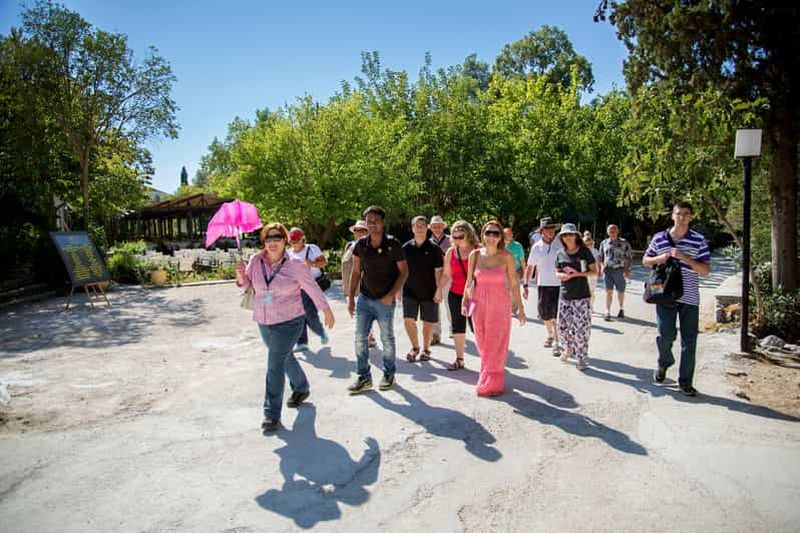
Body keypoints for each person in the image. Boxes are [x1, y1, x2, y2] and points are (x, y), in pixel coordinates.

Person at [235, 223, 335, 433]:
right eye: (268, 238)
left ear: (284, 241)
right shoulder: (255, 260)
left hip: (290, 321)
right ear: (264, 241)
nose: (272, 242)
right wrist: (240, 276)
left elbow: (312, 287)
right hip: (264, 319)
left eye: (277, 238)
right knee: (284, 356)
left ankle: (271, 414)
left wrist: (325, 309)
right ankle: (301, 387)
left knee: (274, 364)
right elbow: (248, 286)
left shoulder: (296, 265)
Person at [643, 200, 711, 397]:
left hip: (689, 297)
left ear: (691, 217)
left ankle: (685, 382)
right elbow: (647, 260)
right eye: (678, 213)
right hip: (663, 294)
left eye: (686, 214)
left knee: (689, 342)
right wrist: (660, 258)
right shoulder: (659, 238)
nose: (682, 217)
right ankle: (664, 362)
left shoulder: (699, 240)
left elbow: (705, 270)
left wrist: (684, 257)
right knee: (666, 335)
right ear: (672, 216)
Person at [347, 205, 408, 394]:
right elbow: (356, 272)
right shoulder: (361, 245)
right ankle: (364, 376)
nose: (372, 224)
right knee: (359, 338)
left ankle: (389, 374)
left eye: (376, 220)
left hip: (385, 300)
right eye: (368, 221)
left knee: (387, 339)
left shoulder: (392, 243)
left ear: (382, 222)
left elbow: (404, 271)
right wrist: (351, 298)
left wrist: (391, 295)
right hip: (365, 299)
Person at [464, 220, 526, 397]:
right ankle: (489, 374)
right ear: (482, 234)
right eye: (488, 233)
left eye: (495, 233)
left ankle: (493, 382)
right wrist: (464, 302)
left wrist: (520, 308)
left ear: (500, 237)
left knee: (495, 343)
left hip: (500, 304)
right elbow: (469, 282)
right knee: (482, 342)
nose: (491, 237)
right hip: (479, 304)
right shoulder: (474, 255)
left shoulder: (506, 256)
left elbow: (514, 283)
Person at [434, 220, 479, 370]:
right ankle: (459, 359)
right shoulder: (451, 252)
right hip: (456, 294)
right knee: (458, 328)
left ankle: (487, 358)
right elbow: (447, 274)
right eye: (455, 237)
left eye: (461, 236)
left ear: (469, 235)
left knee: (477, 328)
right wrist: (439, 289)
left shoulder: (479, 250)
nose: (458, 239)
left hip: (476, 296)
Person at [554, 224, 598, 370]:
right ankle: (568, 348)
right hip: (565, 295)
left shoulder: (585, 252)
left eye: (570, 234)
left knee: (581, 328)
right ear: (561, 238)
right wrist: (562, 275)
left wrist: (577, 274)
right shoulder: (560, 253)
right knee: (562, 326)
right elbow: (557, 271)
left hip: (581, 295)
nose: (568, 237)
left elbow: (594, 272)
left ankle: (581, 357)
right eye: (565, 235)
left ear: (576, 236)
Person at [402, 216, 444, 362]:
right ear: (412, 228)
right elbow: (401, 270)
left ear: (427, 228)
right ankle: (415, 347)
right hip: (409, 290)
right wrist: (396, 290)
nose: (419, 228)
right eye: (416, 225)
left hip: (429, 290)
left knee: (428, 322)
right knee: (408, 320)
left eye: (422, 225)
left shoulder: (434, 248)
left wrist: (439, 290)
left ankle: (426, 349)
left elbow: (438, 270)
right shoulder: (406, 247)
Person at [523, 217, 563, 356]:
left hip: (559, 284)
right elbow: (530, 266)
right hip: (543, 285)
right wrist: (526, 284)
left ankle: (557, 343)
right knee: (546, 315)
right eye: (547, 228)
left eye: (552, 228)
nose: (551, 231)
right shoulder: (537, 247)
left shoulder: (560, 243)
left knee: (557, 315)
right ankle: (550, 335)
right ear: (542, 231)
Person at [287, 227, 329, 351]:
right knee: (299, 314)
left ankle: (320, 331)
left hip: (313, 285)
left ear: (302, 239)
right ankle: (302, 342)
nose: (294, 243)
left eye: (296, 240)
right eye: (291, 241)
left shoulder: (312, 249)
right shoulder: (289, 253)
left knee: (309, 313)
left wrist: (313, 264)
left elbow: (324, 262)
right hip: (297, 288)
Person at [342, 220, 377, 349]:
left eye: (362, 230)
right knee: (356, 311)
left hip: (365, 283)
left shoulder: (370, 245)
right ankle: (368, 335)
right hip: (350, 284)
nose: (358, 233)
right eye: (356, 230)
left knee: (365, 311)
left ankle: (366, 336)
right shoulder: (349, 245)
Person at [598, 224, 633, 321]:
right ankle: (607, 311)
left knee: (620, 291)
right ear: (607, 232)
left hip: (620, 270)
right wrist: (601, 267)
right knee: (608, 291)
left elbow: (629, 257)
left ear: (617, 232)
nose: (612, 233)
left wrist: (627, 269)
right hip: (608, 270)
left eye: (614, 231)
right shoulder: (604, 243)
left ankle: (621, 308)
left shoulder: (624, 243)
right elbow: (600, 257)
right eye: (610, 232)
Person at [429, 215, 451, 344]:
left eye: (439, 226)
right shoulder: (428, 242)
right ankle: (436, 334)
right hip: (433, 278)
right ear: (430, 228)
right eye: (434, 226)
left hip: (448, 276)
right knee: (434, 306)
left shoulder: (451, 240)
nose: (437, 228)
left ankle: (453, 328)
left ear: (443, 227)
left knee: (450, 304)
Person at [583, 231, 601, 312]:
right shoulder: (582, 251)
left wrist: (599, 271)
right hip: (584, 274)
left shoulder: (595, 251)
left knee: (592, 291)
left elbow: (598, 262)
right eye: (586, 243)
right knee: (583, 291)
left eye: (589, 243)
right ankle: (584, 306)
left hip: (593, 274)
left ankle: (590, 306)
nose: (588, 244)